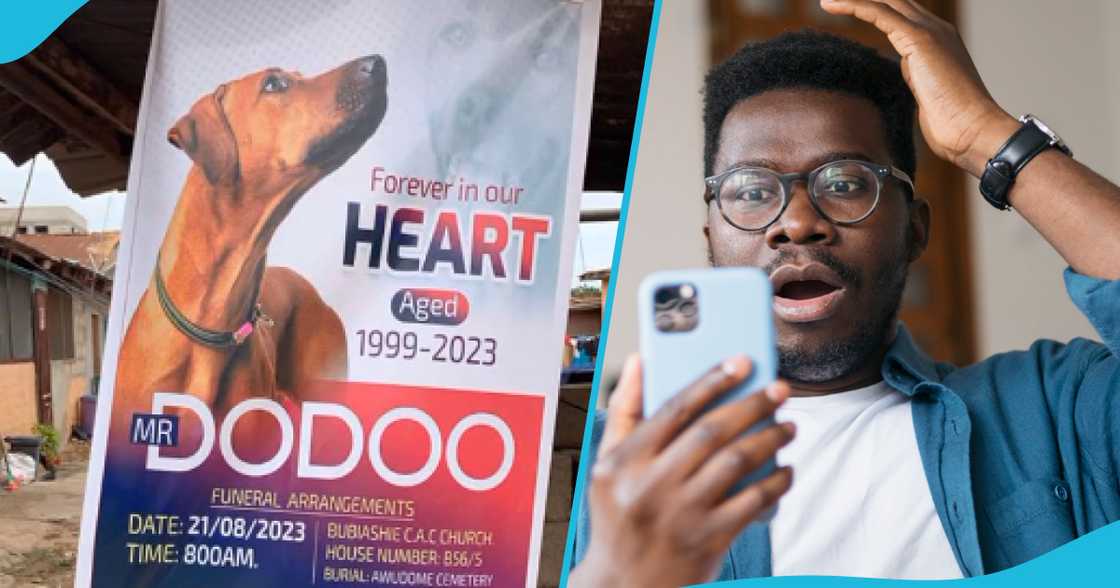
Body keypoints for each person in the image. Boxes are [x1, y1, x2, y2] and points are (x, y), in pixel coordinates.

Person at [568, 0, 1120, 585]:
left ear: (915, 231)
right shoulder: (614, 468)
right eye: (752, 191)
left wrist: (984, 136)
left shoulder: (1055, 407)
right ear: (713, 239)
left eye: (846, 183)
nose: (797, 222)